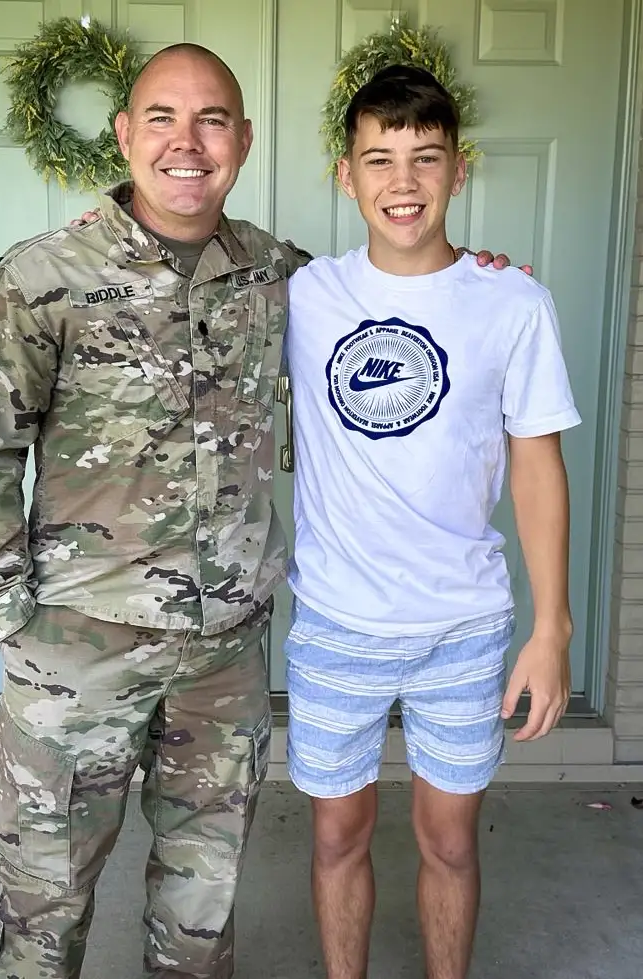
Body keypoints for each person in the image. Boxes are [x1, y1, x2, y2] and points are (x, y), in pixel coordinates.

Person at [0, 43, 521, 979]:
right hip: (76, 648)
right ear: (125, 134)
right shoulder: (44, 276)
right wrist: (11, 614)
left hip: (222, 655)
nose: (186, 142)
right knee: (40, 899)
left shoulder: (278, 278)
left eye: (212, 121)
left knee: (199, 901)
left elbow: (392, 288)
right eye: (162, 118)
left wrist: (473, 276)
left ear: (242, 141)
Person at [282, 64, 579, 979]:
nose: (401, 182)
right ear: (345, 175)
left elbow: (536, 464)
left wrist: (551, 629)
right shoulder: (297, 295)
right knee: (338, 832)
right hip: (334, 620)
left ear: (458, 170)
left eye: (425, 158)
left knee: (450, 838)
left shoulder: (512, 302)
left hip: (463, 621)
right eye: (378, 158)